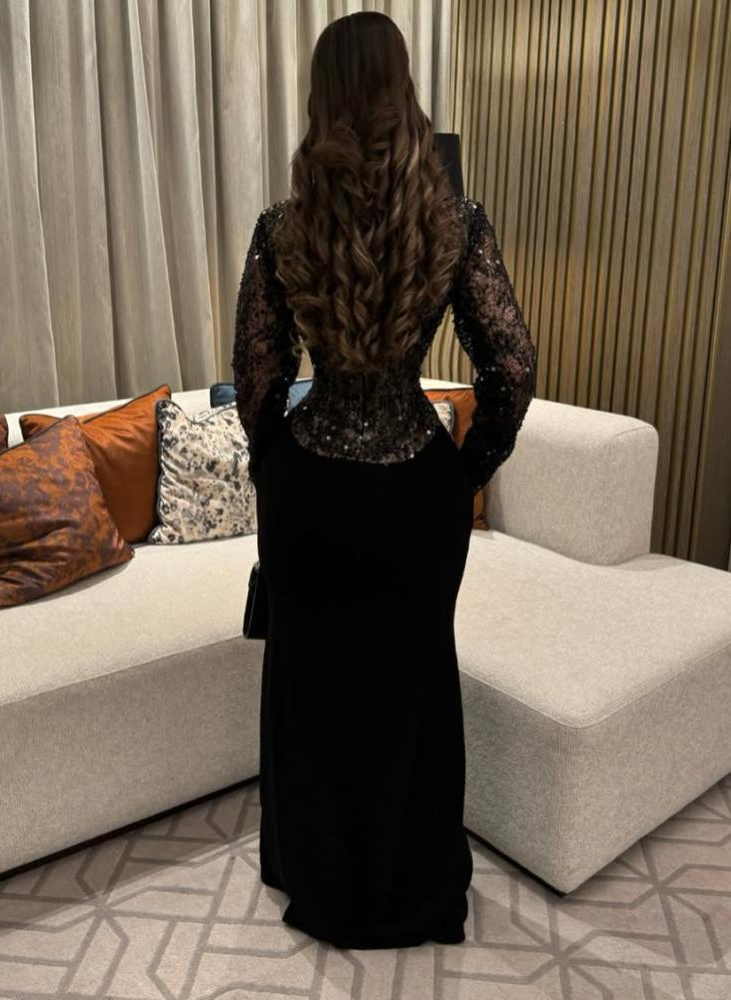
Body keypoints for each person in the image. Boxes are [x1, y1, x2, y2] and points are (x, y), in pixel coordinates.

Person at [230, 11, 537, 950]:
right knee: (412, 686)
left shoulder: (283, 227)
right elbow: (511, 366)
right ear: (402, 90)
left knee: (312, 691)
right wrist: (462, 471)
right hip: (415, 495)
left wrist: (278, 465)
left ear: (321, 97)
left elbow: (256, 379)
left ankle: (315, 874)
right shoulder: (456, 223)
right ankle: (410, 886)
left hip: (310, 496)